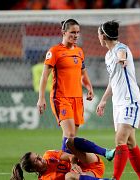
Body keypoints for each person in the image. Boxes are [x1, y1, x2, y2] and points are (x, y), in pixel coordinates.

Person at [96, 20, 140, 180]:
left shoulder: (121, 48)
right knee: (130, 143)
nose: (98, 37)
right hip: (118, 103)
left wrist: (123, 60)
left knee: (120, 140)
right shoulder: (107, 55)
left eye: (99, 34)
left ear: (103, 36)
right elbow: (114, 80)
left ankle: (115, 178)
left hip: (129, 100)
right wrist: (104, 100)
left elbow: (122, 55)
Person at [37, 19, 94, 153]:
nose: (76, 35)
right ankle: (67, 163)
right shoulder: (55, 51)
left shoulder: (79, 52)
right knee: (70, 135)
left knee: (71, 138)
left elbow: (83, 73)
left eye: (78, 32)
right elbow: (44, 75)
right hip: (61, 98)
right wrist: (41, 98)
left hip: (77, 98)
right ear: (63, 32)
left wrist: (89, 87)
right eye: (72, 32)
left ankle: (65, 166)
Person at [11, 137, 115, 180]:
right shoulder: (45, 179)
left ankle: (106, 152)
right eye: (36, 160)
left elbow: (71, 156)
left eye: (38, 155)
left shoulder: (48, 154)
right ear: (33, 169)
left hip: (87, 162)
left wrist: (74, 165)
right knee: (69, 176)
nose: (40, 158)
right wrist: (76, 174)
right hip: (86, 176)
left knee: (69, 142)